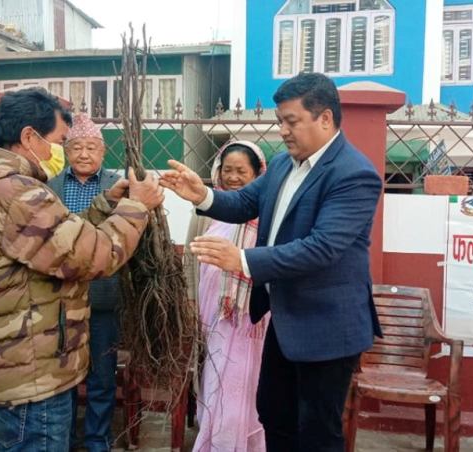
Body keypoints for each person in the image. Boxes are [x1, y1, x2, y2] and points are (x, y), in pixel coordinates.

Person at [0, 88, 164, 451]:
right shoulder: (19, 194)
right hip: (30, 381)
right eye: (58, 141)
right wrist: (136, 208)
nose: (61, 150)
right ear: (29, 137)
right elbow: (94, 256)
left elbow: (56, 241)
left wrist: (106, 204)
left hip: (9, 371)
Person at [161, 72, 382, 452]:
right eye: (280, 121)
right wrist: (203, 196)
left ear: (324, 118)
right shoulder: (282, 164)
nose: (282, 130)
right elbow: (244, 203)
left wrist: (242, 259)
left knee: (317, 432)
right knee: (274, 413)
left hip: (328, 325)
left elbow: (322, 248)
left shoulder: (354, 174)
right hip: (285, 317)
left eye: (291, 121)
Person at [184, 140, 268, 452]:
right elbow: (190, 258)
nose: (232, 177)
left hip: (252, 319)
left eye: (241, 171)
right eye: (227, 170)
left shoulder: (266, 212)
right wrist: (191, 299)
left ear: (258, 175)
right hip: (213, 314)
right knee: (215, 378)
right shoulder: (205, 210)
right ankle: (216, 440)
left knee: (247, 383)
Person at [47, 114, 123, 452]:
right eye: (77, 147)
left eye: (91, 147)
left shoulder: (117, 186)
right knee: (61, 370)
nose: (84, 154)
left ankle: (96, 438)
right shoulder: (50, 187)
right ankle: (61, 437)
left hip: (103, 293)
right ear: (66, 151)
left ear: (103, 152)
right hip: (59, 297)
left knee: (102, 372)